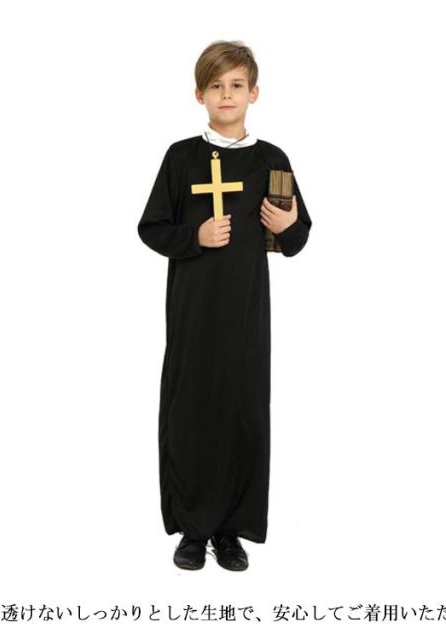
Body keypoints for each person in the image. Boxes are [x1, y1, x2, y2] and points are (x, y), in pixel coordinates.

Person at [137, 40, 312, 572]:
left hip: (245, 314)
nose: (227, 94)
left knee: (242, 412)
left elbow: (295, 238)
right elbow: (151, 228)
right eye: (216, 86)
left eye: (237, 85)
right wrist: (196, 236)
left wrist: (289, 226)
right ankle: (193, 529)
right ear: (200, 95)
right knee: (191, 412)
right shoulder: (181, 157)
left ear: (254, 92)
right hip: (193, 312)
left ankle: (230, 531)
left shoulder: (271, 160)